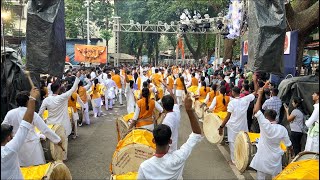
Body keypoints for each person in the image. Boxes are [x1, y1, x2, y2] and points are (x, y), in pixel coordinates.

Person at [137, 93, 203, 179]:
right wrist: (189, 110)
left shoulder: (144, 167)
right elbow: (197, 134)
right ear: (170, 141)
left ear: (153, 140)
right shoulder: (178, 158)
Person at [2, 91, 61, 167]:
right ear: (28, 102)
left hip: (17, 146)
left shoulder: (10, 113)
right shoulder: (32, 114)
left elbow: (3, 128)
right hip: (33, 147)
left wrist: (9, 138)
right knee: (37, 169)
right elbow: (45, 129)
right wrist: (57, 140)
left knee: (23, 171)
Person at [250, 87, 293, 180]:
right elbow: (289, 145)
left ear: (266, 117)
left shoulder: (264, 125)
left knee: (261, 177)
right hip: (275, 159)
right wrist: (291, 154)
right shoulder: (282, 129)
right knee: (276, 177)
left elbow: (256, 110)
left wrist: (260, 95)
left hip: (263, 157)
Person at [1, 87, 39, 179]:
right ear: (8, 138)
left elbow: (4, 125)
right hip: (32, 149)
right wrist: (32, 98)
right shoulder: (9, 150)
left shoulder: (10, 113)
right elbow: (25, 124)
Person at [218, 85, 257, 165]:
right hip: (243, 126)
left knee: (232, 143)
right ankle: (243, 159)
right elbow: (255, 92)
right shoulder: (245, 99)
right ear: (240, 92)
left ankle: (234, 161)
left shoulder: (232, 103)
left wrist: (221, 126)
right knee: (243, 143)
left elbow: (227, 117)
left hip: (233, 127)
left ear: (233, 92)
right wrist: (255, 81)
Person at [39, 71, 81, 137]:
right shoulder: (62, 97)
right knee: (63, 145)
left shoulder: (46, 100)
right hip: (63, 126)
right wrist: (77, 77)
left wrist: (43, 123)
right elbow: (73, 89)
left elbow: (40, 113)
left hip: (51, 125)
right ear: (58, 89)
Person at [161, 86, 181, 152]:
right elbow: (175, 102)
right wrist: (171, 93)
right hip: (174, 145)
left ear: (163, 106)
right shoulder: (176, 111)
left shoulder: (167, 121)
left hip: (168, 150)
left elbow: (164, 139)